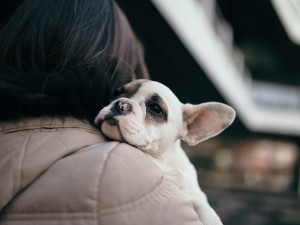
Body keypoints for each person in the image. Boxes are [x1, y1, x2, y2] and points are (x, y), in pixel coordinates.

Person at [0, 0, 204, 224]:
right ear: (113, 70)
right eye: (119, 93)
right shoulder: (120, 170)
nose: (124, 104)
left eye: (154, 109)